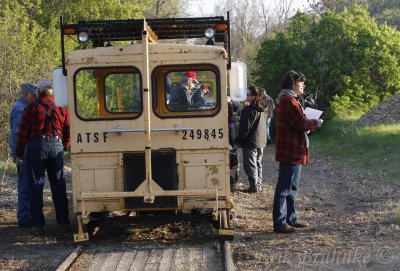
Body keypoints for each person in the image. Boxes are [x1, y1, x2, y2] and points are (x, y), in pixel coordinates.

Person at [16, 78, 71, 233]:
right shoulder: (61, 107)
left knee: (36, 186)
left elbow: (22, 133)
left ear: (39, 91)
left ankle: (38, 225)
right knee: (59, 184)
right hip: (56, 145)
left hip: (36, 146)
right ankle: (63, 222)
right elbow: (68, 129)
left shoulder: (31, 107)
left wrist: (19, 153)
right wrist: (65, 145)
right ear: (51, 90)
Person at [273, 70, 323, 233]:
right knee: (284, 188)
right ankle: (280, 223)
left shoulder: (290, 100)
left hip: (294, 149)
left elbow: (299, 123)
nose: (303, 86)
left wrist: (310, 122)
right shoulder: (288, 101)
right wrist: (315, 122)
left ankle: (291, 218)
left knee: (291, 187)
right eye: (301, 83)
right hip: (291, 149)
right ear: (293, 84)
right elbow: (300, 123)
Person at [10, 83, 38, 227]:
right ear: (26, 94)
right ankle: (24, 217)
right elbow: (18, 133)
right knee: (25, 184)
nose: (35, 99)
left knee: (28, 183)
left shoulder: (23, 107)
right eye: (33, 96)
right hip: (24, 151)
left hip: (25, 150)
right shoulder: (20, 109)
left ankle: (27, 214)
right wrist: (18, 154)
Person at [234, 86, 267, 193]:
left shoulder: (249, 110)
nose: (244, 96)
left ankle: (254, 187)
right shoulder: (262, 108)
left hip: (251, 142)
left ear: (253, 97)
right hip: (260, 141)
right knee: (258, 164)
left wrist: (238, 141)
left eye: (246, 94)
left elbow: (244, 129)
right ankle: (258, 185)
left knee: (250, 166)